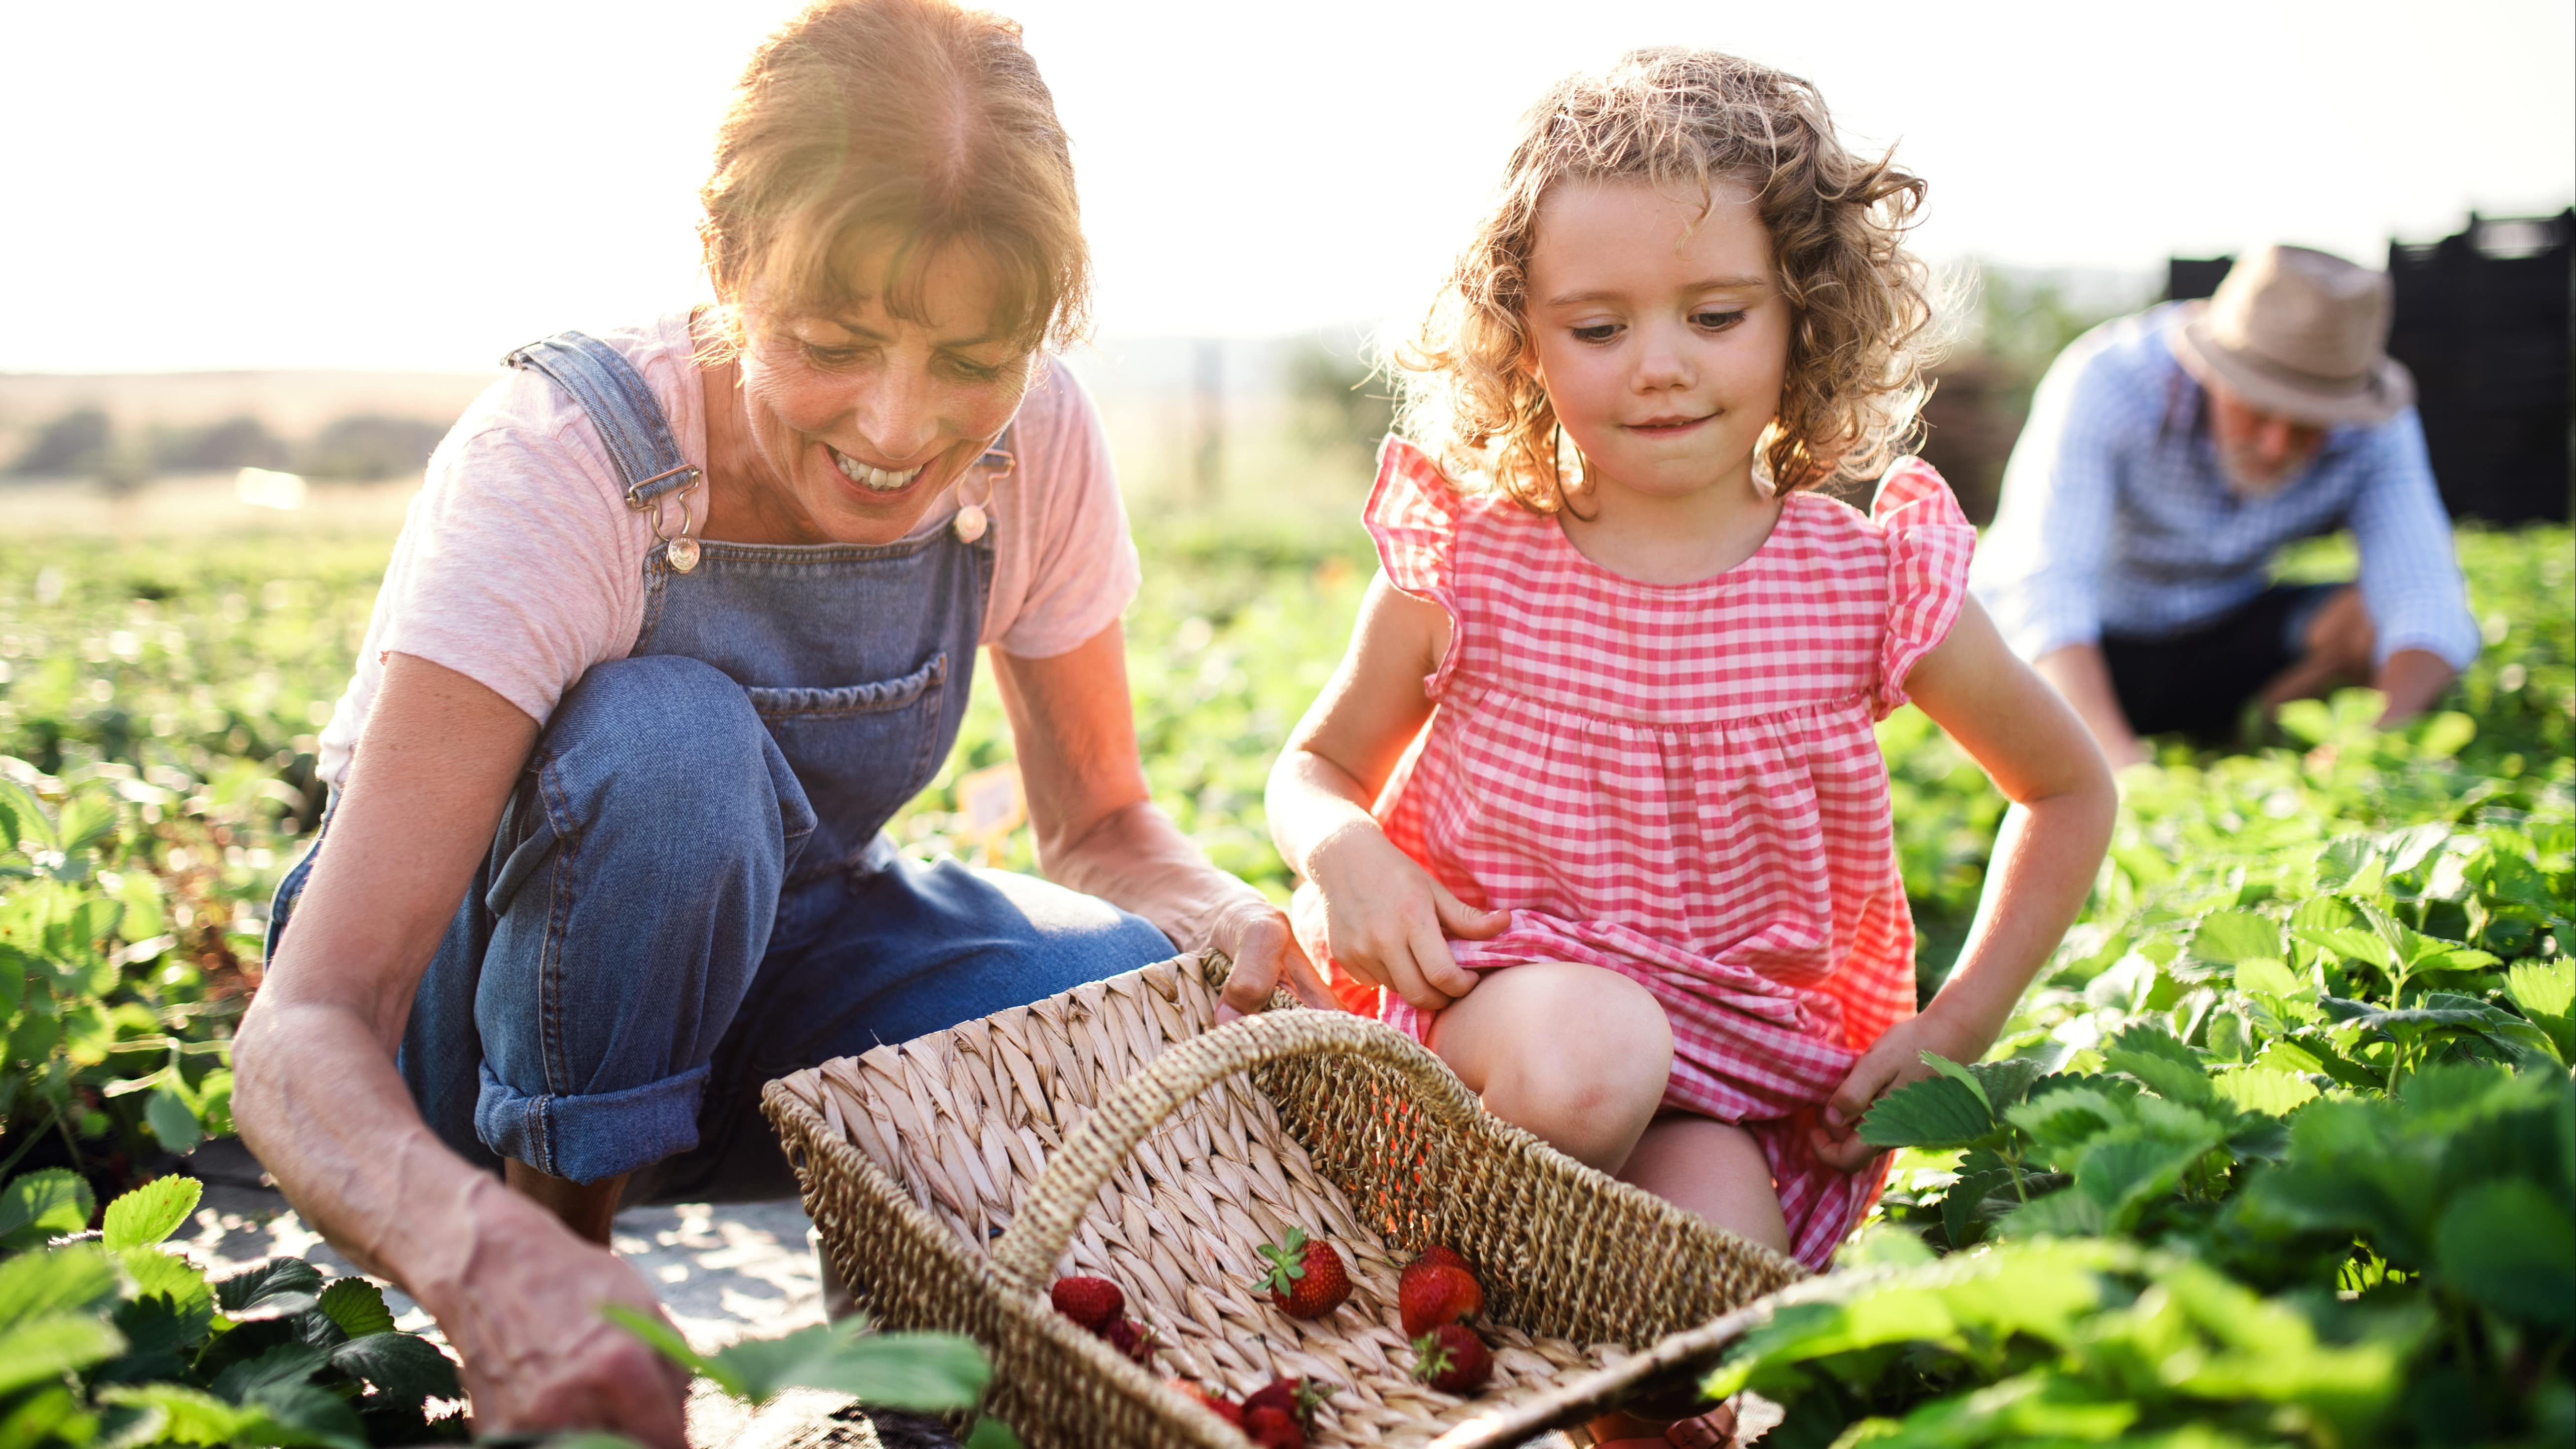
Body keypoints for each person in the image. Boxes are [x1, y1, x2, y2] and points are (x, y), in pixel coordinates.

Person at [229, 2, 1320, 1441]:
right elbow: (309, 1024)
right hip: (468, 1043)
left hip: (773, 976)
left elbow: (1101, 825)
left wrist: (1214, 905)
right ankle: (577, 1295)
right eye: (829, 341)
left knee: (1109, 985)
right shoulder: (569, 459)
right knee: (670, 747)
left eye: (970, 360)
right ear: (727, 264)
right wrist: (497, 1262)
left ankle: (936, 1388)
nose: (895, 426)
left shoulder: (1035, 440)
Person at [1262, 49, 2115, 1449]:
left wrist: (1952, 1032)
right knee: (1598, 1046)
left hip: (1722, 1072)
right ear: (1519, 340)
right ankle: (1390, 1333)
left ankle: (1591, 1407)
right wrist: (1340, 848)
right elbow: (1314, 767)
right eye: (1594, 328)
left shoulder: (1853, 584)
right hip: (1486, 1036)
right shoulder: (1471, 559)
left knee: (1713, 1318)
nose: (1657, 365)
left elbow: (2066, 787)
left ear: (1802, 316)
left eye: (1713, 314)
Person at [1970, 244, 2483, 766]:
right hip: (2090, 645)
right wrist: (2118, 769)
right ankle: (2111, 739)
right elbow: (2046, 588)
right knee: (2021, 675)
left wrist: (2370, 747)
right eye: (2257, 408)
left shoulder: (2373, 423)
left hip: (2226, 631)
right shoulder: (2109, 382)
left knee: (2365, 625)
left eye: (2309, 423)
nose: (2276, 445)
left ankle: (2255, 730)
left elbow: (2427, 601)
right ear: (2209, 369)